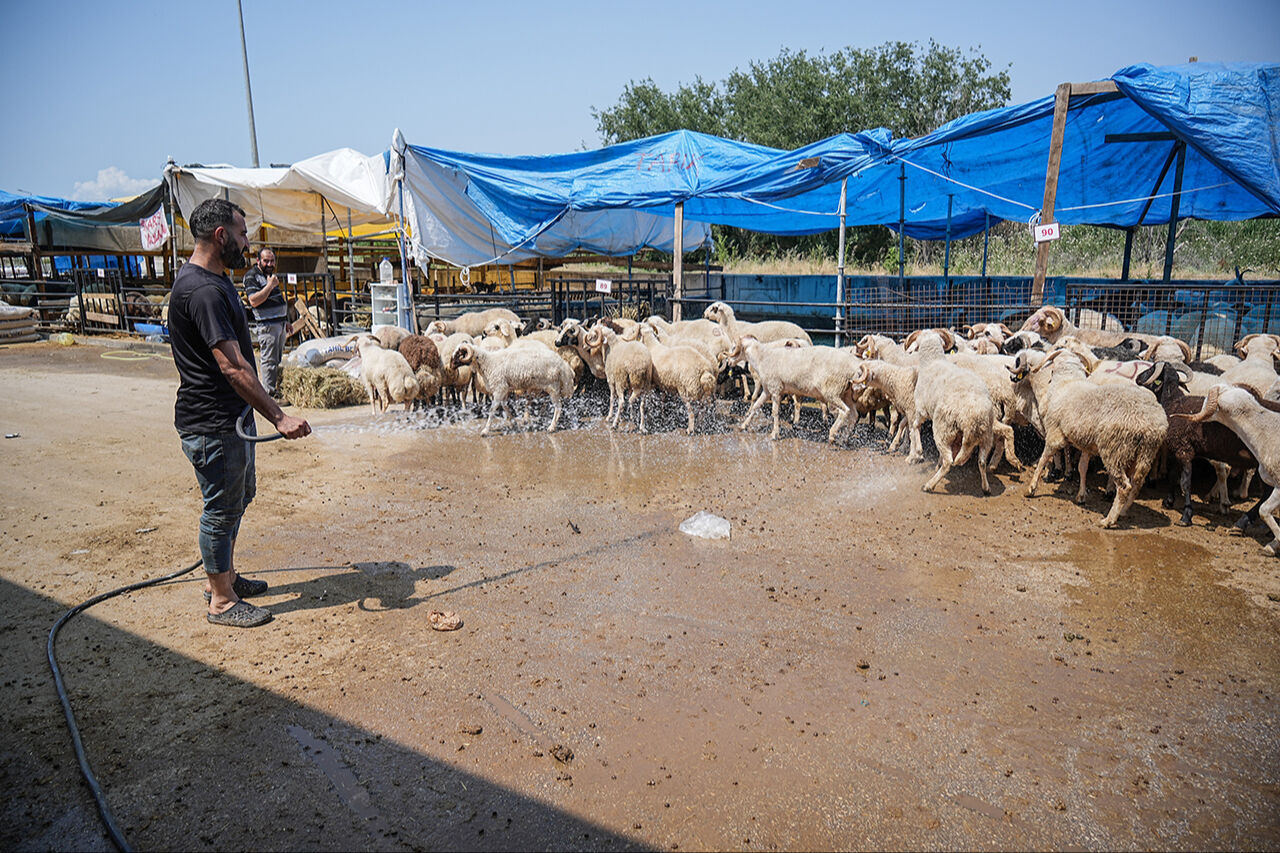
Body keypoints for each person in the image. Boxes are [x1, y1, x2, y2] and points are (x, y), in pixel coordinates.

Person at [169, 199, 310, 628]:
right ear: (221, 236)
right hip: (213, 423)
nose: (248, 243)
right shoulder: (205, 291)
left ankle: (223, 576)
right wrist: (278, 416)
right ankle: (222, 601)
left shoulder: (216, 280)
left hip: (231, 419)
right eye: (243, 234)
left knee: (239, 497)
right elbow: (231, 367)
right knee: (221, 509)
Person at [240, 246, 288, 398]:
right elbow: (254, 300)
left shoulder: (270, 276)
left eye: (272, 261)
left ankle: (275, 389)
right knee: (268, 360)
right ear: (258, 260)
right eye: (266, 261)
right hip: (267, 325)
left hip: (279, 324)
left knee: (278, 359)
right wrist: (269, 286)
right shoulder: (252, 276)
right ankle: (269, 393)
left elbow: (277, 300)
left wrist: (285, 320)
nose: (269, 264)